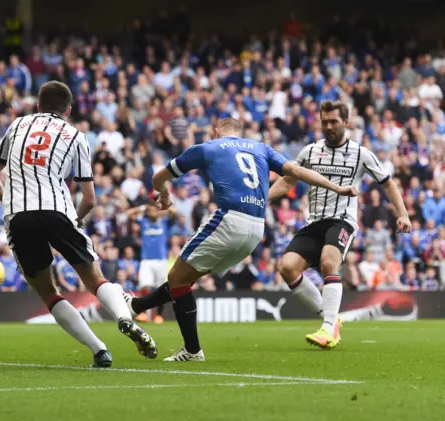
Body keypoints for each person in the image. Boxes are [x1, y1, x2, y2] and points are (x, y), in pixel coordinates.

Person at [121, 117, 358, 361]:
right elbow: (296, 172)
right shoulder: (261, 148)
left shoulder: (207, 148)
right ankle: (141, 309)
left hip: (228, 219)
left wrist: (165, 196)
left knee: (176, 277)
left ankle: (182, 342)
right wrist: (337, 188)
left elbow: (159, 177)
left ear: (216, 131)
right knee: (183, 280)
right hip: (256, 228)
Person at [0, 81, 157, 367]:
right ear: (69, 110)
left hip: (19, 215)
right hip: (58, 211)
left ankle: (99, 350)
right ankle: (124, 318)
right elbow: (89, 198)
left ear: (38, 105)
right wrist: (77, 219)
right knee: (95, 279)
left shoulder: (17, 125)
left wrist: (10, 200)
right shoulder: (76, 136)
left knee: (48, 293)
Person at [268, 100, 412, 349]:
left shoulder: (360, 154)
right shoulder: (310, 151)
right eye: (324, 122)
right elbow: (288, 180)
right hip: (314, 222)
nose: (328, 126)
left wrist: (403, 214)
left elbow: (387, 183)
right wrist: (261, 199)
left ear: (346, 123)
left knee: (328, 261)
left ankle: (327, 328)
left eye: (334, 121)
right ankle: (331, 319)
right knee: (287, 267)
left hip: (343, 220)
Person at [125, 200, 176, 323]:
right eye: (150, 210)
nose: (152, 212)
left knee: (160, 288)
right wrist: (143, 207)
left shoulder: (164, 222)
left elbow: (174, 212)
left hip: (161, 261)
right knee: (144, 286)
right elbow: (129, 214)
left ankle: (158, 315)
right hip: (146, 260)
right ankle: (143, 313)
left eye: (154, 209)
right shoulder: (144, 222)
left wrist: (161, 207)